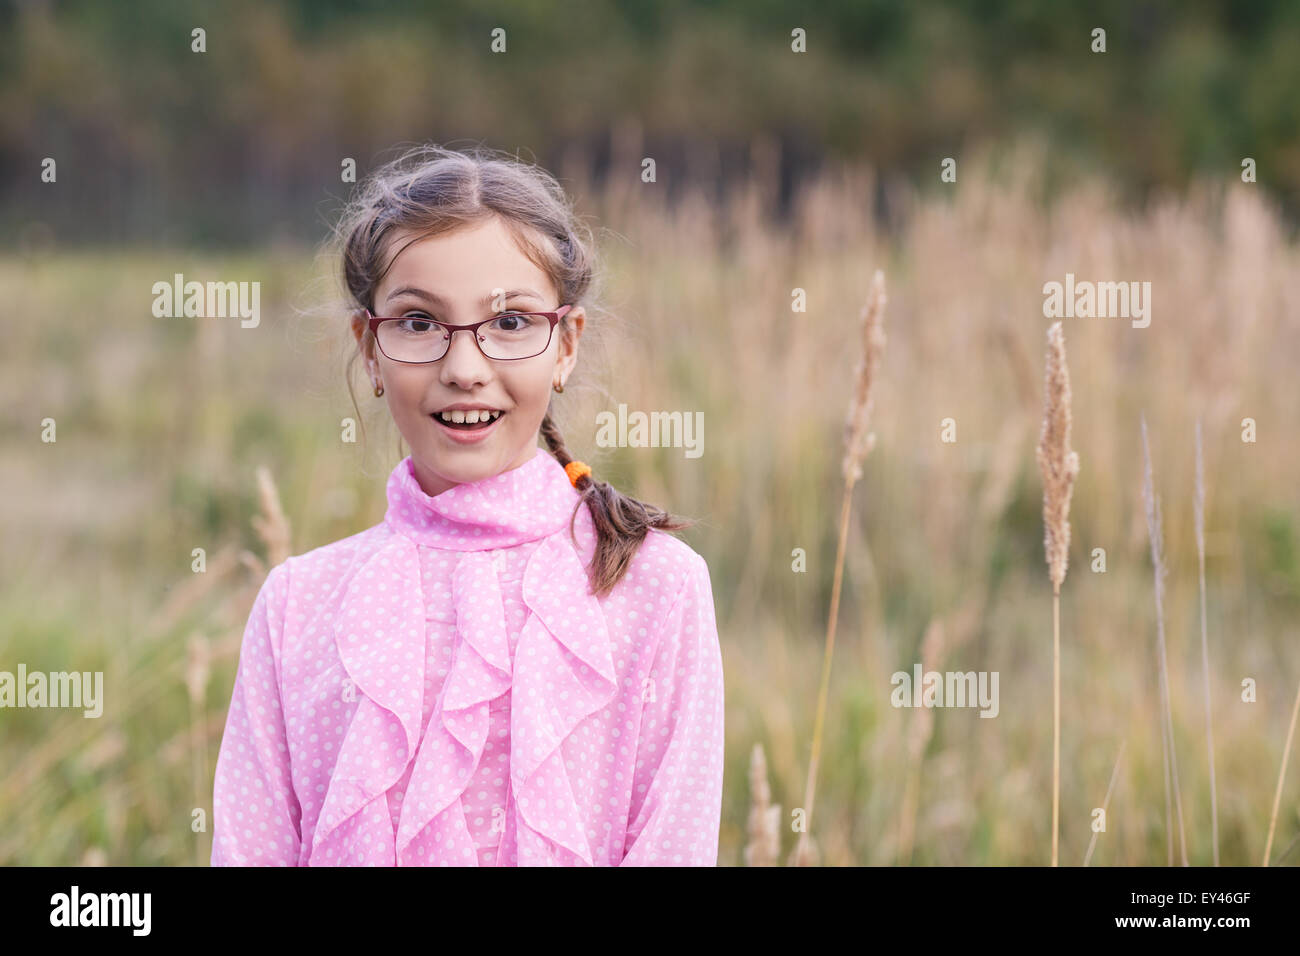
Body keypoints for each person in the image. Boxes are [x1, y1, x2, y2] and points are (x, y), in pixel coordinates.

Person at [211, 144, 725, 866]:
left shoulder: (657, 588)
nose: (464, 368)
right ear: (370, 347)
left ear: (566, 344)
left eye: (510, 322)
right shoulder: (297, 605)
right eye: (419, 323)